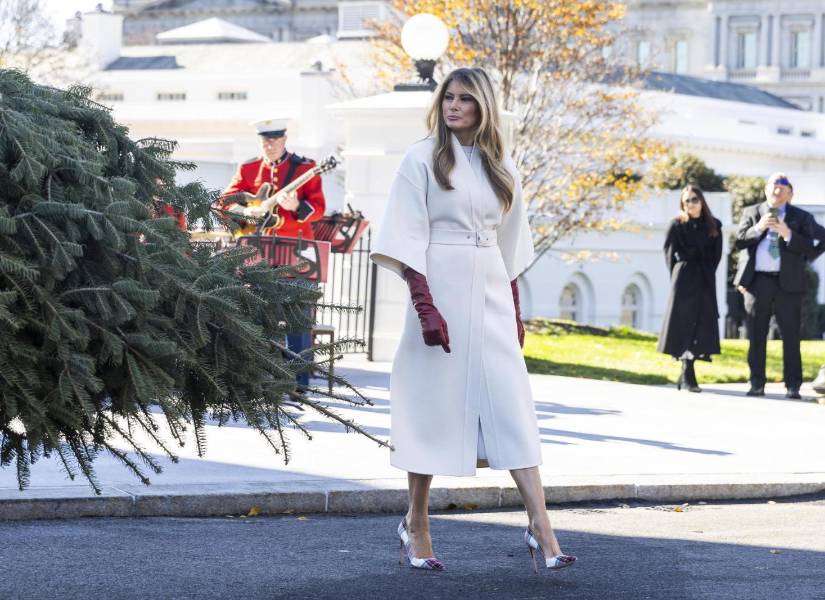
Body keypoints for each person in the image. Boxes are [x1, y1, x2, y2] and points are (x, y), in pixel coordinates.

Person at [369, 67, 575, 574]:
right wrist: (424, 305)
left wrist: (515, 309)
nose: (453, 106)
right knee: (431, 407)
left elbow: (509, 244)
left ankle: (541, 528)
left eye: (464, 99)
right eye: (448, 98)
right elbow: (405, 235)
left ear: (483, 106)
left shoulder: (500, 162)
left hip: (490, 294)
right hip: (439, 286)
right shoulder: (421, 158)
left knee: (513, 408)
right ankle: (416, 522)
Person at [218, 118, 326, 387]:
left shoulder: (305, 168)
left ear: (284, 140)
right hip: (259, 253)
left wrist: (297, 205)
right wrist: (247, 210)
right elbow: (226, 201)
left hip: (297, 253)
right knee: (259, 313)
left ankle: (298, 382)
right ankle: (262, 377)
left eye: (275, 140)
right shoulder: (249, 168)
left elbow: (319, 208)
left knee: (298, 318)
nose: (270, 145)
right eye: (266, 140)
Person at [733, 173, 817, 399]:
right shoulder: (752, 213)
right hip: (758, 282)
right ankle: (756, 383)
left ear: (790, 193)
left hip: (788, 284)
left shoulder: (801, 217)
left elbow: (811, 245)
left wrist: (787, 233)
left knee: (790, 337)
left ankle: (793, 385)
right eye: (773, 185)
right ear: (765, 189)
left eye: (782, 187)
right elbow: (739, 241)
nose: (777, 190)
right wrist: (759, 228)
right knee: (756, 335)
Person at [657, 185, 723, 393]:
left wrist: (706, 271)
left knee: (701, 322)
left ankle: (688, 370)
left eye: (694, 200)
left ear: (702, 201)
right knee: (684, 322)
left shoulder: (713, 225)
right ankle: (687, 373)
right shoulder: (676, 225)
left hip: (704, 277)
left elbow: (716, 255)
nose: (691, 204)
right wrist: (678, 274)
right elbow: (669, 253)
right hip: (684, 278)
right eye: (686, 201)